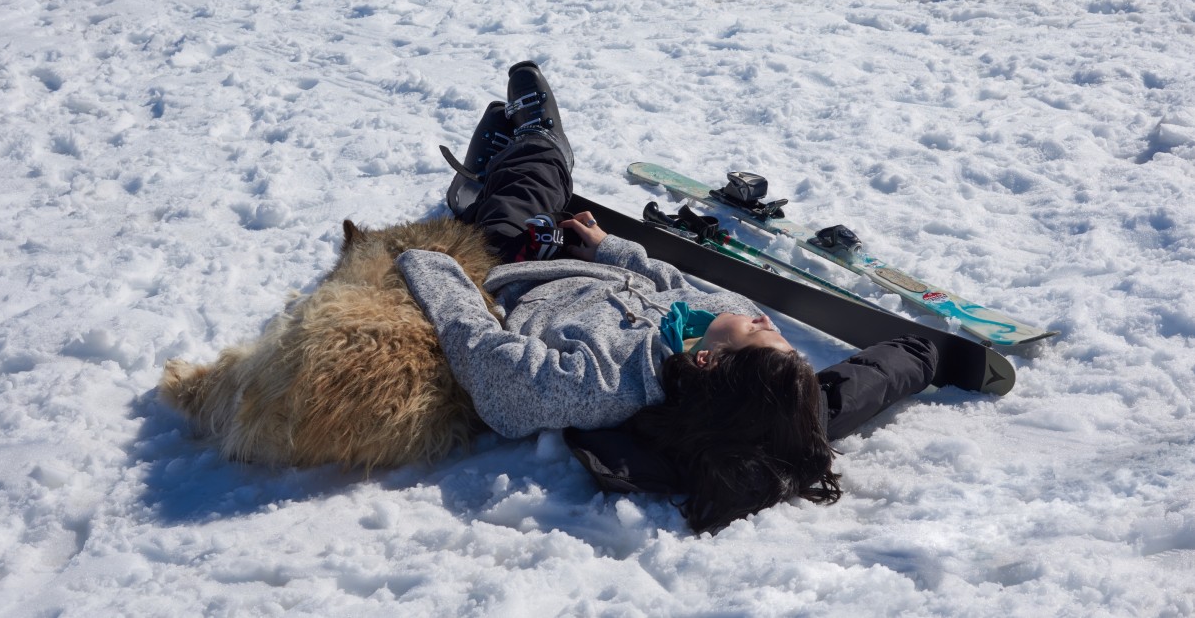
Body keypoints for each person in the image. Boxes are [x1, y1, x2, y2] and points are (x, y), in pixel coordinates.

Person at [398, 61, 939, 534]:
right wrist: (613, 249)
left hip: (525, 268)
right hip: (594, 267)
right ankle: (488, 182)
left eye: (759, 333)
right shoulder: (752, 372)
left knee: (529, 193)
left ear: (706, 360)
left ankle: (530, 147)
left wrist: (439, 269)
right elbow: (861, 386)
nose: (761, 321)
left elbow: (495, 373)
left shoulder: (599, 383)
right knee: (543, 202)